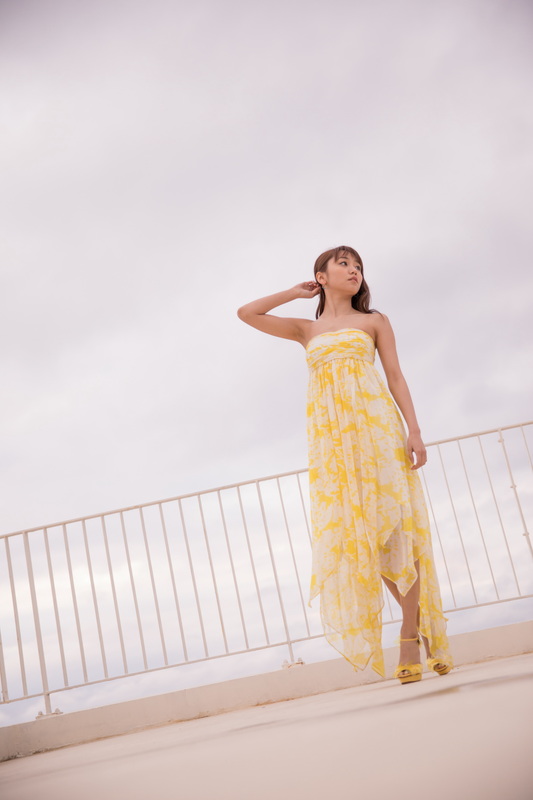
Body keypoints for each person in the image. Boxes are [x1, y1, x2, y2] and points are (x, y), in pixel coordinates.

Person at [237, 245, 452, 683]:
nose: (354, 271)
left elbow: (395, 376)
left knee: (398, 531)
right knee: (365, 538)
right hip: (335, 446)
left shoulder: (374, 321)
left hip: (378, 430)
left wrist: (414, 431)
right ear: (321, 276)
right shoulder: (305, 329)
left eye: (358, 266)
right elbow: (247, 313)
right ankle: (422, 630)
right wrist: (294, 293)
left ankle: (409, 635)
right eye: (344, 264)